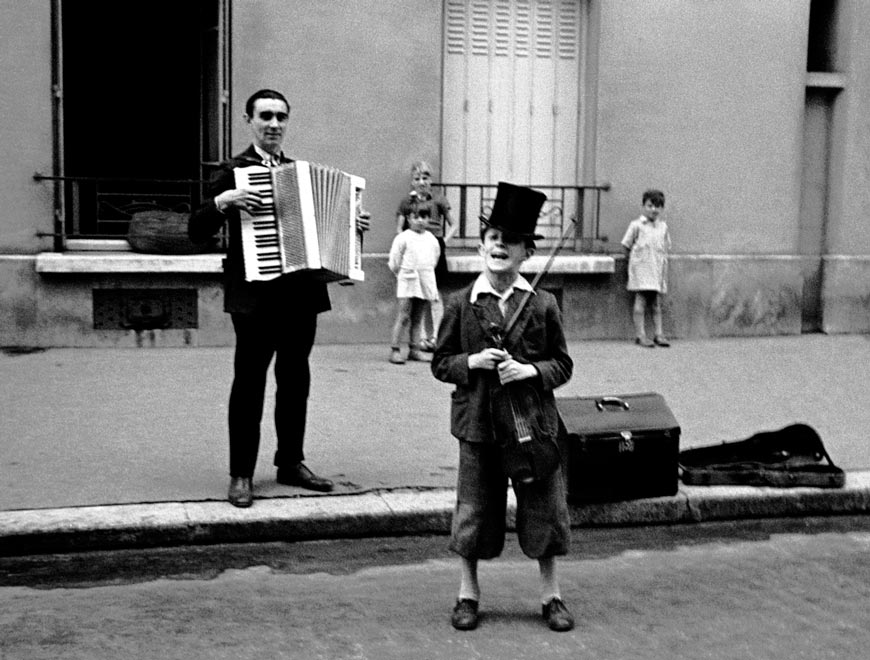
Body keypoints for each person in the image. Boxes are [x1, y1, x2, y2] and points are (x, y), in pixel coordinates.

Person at [188, 89, 369, 508]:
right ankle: (241, 474)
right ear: (249, 120)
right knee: (249, 383)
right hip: (254, 298)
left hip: (300, 294)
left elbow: (326, 228)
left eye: (281, 117)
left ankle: (290, 462)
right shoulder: (234, 170)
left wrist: (350, 222)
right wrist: (222, 202)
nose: (274, 124)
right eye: (265, 116)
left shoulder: (299, 171)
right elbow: (195, 229)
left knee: (295, 381)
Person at [431, 182, 575, 632]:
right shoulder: (459, 304)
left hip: (533, 427)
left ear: (526, 254)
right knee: (474, 510)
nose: (499, 247)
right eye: (493, 238)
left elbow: (563, 365)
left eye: (510, 242)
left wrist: (529, 372)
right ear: (480, 246)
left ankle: (551, 595)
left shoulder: (543, 304)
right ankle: (467, 592)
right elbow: (439, 363)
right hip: (477, 425)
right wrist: (471, 362)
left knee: (545, 508)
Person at [395, 161, 455, 351]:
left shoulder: (438, 200)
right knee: (416, 295)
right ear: (412, 182)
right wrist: (403, 246)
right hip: (414, 252)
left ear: (431, 180)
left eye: (425, 178)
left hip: (434, 247)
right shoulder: (407, 203)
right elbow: (399, 228)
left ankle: (436, 337)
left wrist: (443, 241)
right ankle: (419, 339)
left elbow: (453, 224)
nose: (422, 182)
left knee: (434, 294)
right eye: (417, 178)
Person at [388, 204, 441, 364]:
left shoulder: (431, 239)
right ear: (409, 219)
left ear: (428, 219)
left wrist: (426, 274)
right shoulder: (403, 238)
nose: (420, 221)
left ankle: (415, 349)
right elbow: (394, 261)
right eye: (416, 217)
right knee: (404, 315)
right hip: (408, 280)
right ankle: (395, 349)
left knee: (418, 317)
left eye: (423, 217)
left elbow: (434, 259)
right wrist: (402, 274)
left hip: (424, 281)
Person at [620, 189, 671, 347]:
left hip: (656, 270)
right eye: (650, 205)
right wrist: (634, 264)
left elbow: (666, 247)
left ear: (662, 208)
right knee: (640, 302)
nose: (653, 210)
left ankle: (659, 334)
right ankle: (640, 335)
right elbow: (626, 245)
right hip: (641, 270)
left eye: (657, 206)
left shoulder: (662, 227)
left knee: (656, 303)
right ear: (643, 206)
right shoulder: (636, 226)